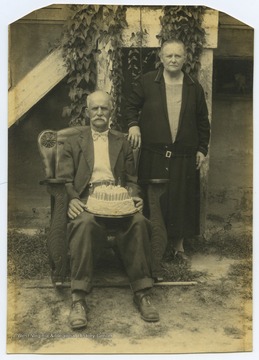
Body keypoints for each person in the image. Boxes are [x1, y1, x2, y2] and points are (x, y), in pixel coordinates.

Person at [57, 90, 159, 330]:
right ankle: (79, 298)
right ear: (87, 112)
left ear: (111, 112)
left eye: (104, 108)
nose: (100, 113)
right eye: (95, 109)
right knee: (84, 224)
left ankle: (142, 292)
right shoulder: (74, 141)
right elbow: (64, 179)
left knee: (138, 222)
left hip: (117, 199)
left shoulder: (121, 142)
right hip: (86, 200)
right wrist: (72, 199)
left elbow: (133, 180)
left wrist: (134, 197)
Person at [126, 38, 210, 277]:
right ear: (161, 58)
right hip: (154, 154)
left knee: (182, 198)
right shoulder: (146, 82)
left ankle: (178, 247)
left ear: (185, 59)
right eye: (169, 56)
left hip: (184, 155)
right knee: (154, 200)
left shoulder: (194, 87)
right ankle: (154, 245)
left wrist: (201, 149)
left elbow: (203, 123)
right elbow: (131, 107)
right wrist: (133, 125)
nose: (173, 60)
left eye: (178, 56)